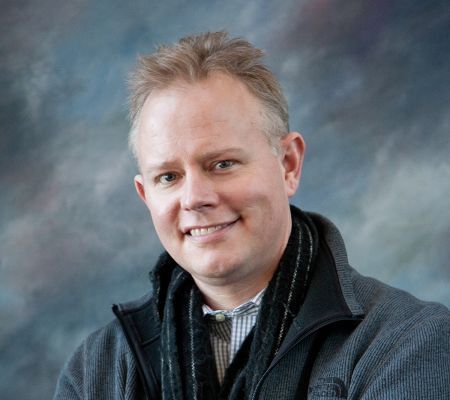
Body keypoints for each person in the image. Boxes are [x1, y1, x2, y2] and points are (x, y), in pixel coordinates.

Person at [54, 31, 450, 400]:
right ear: (145, 196)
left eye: (222, 164)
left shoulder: (410, 343)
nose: (195, 198)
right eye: (169, 176)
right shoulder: (95, 368)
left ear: (288, 165)